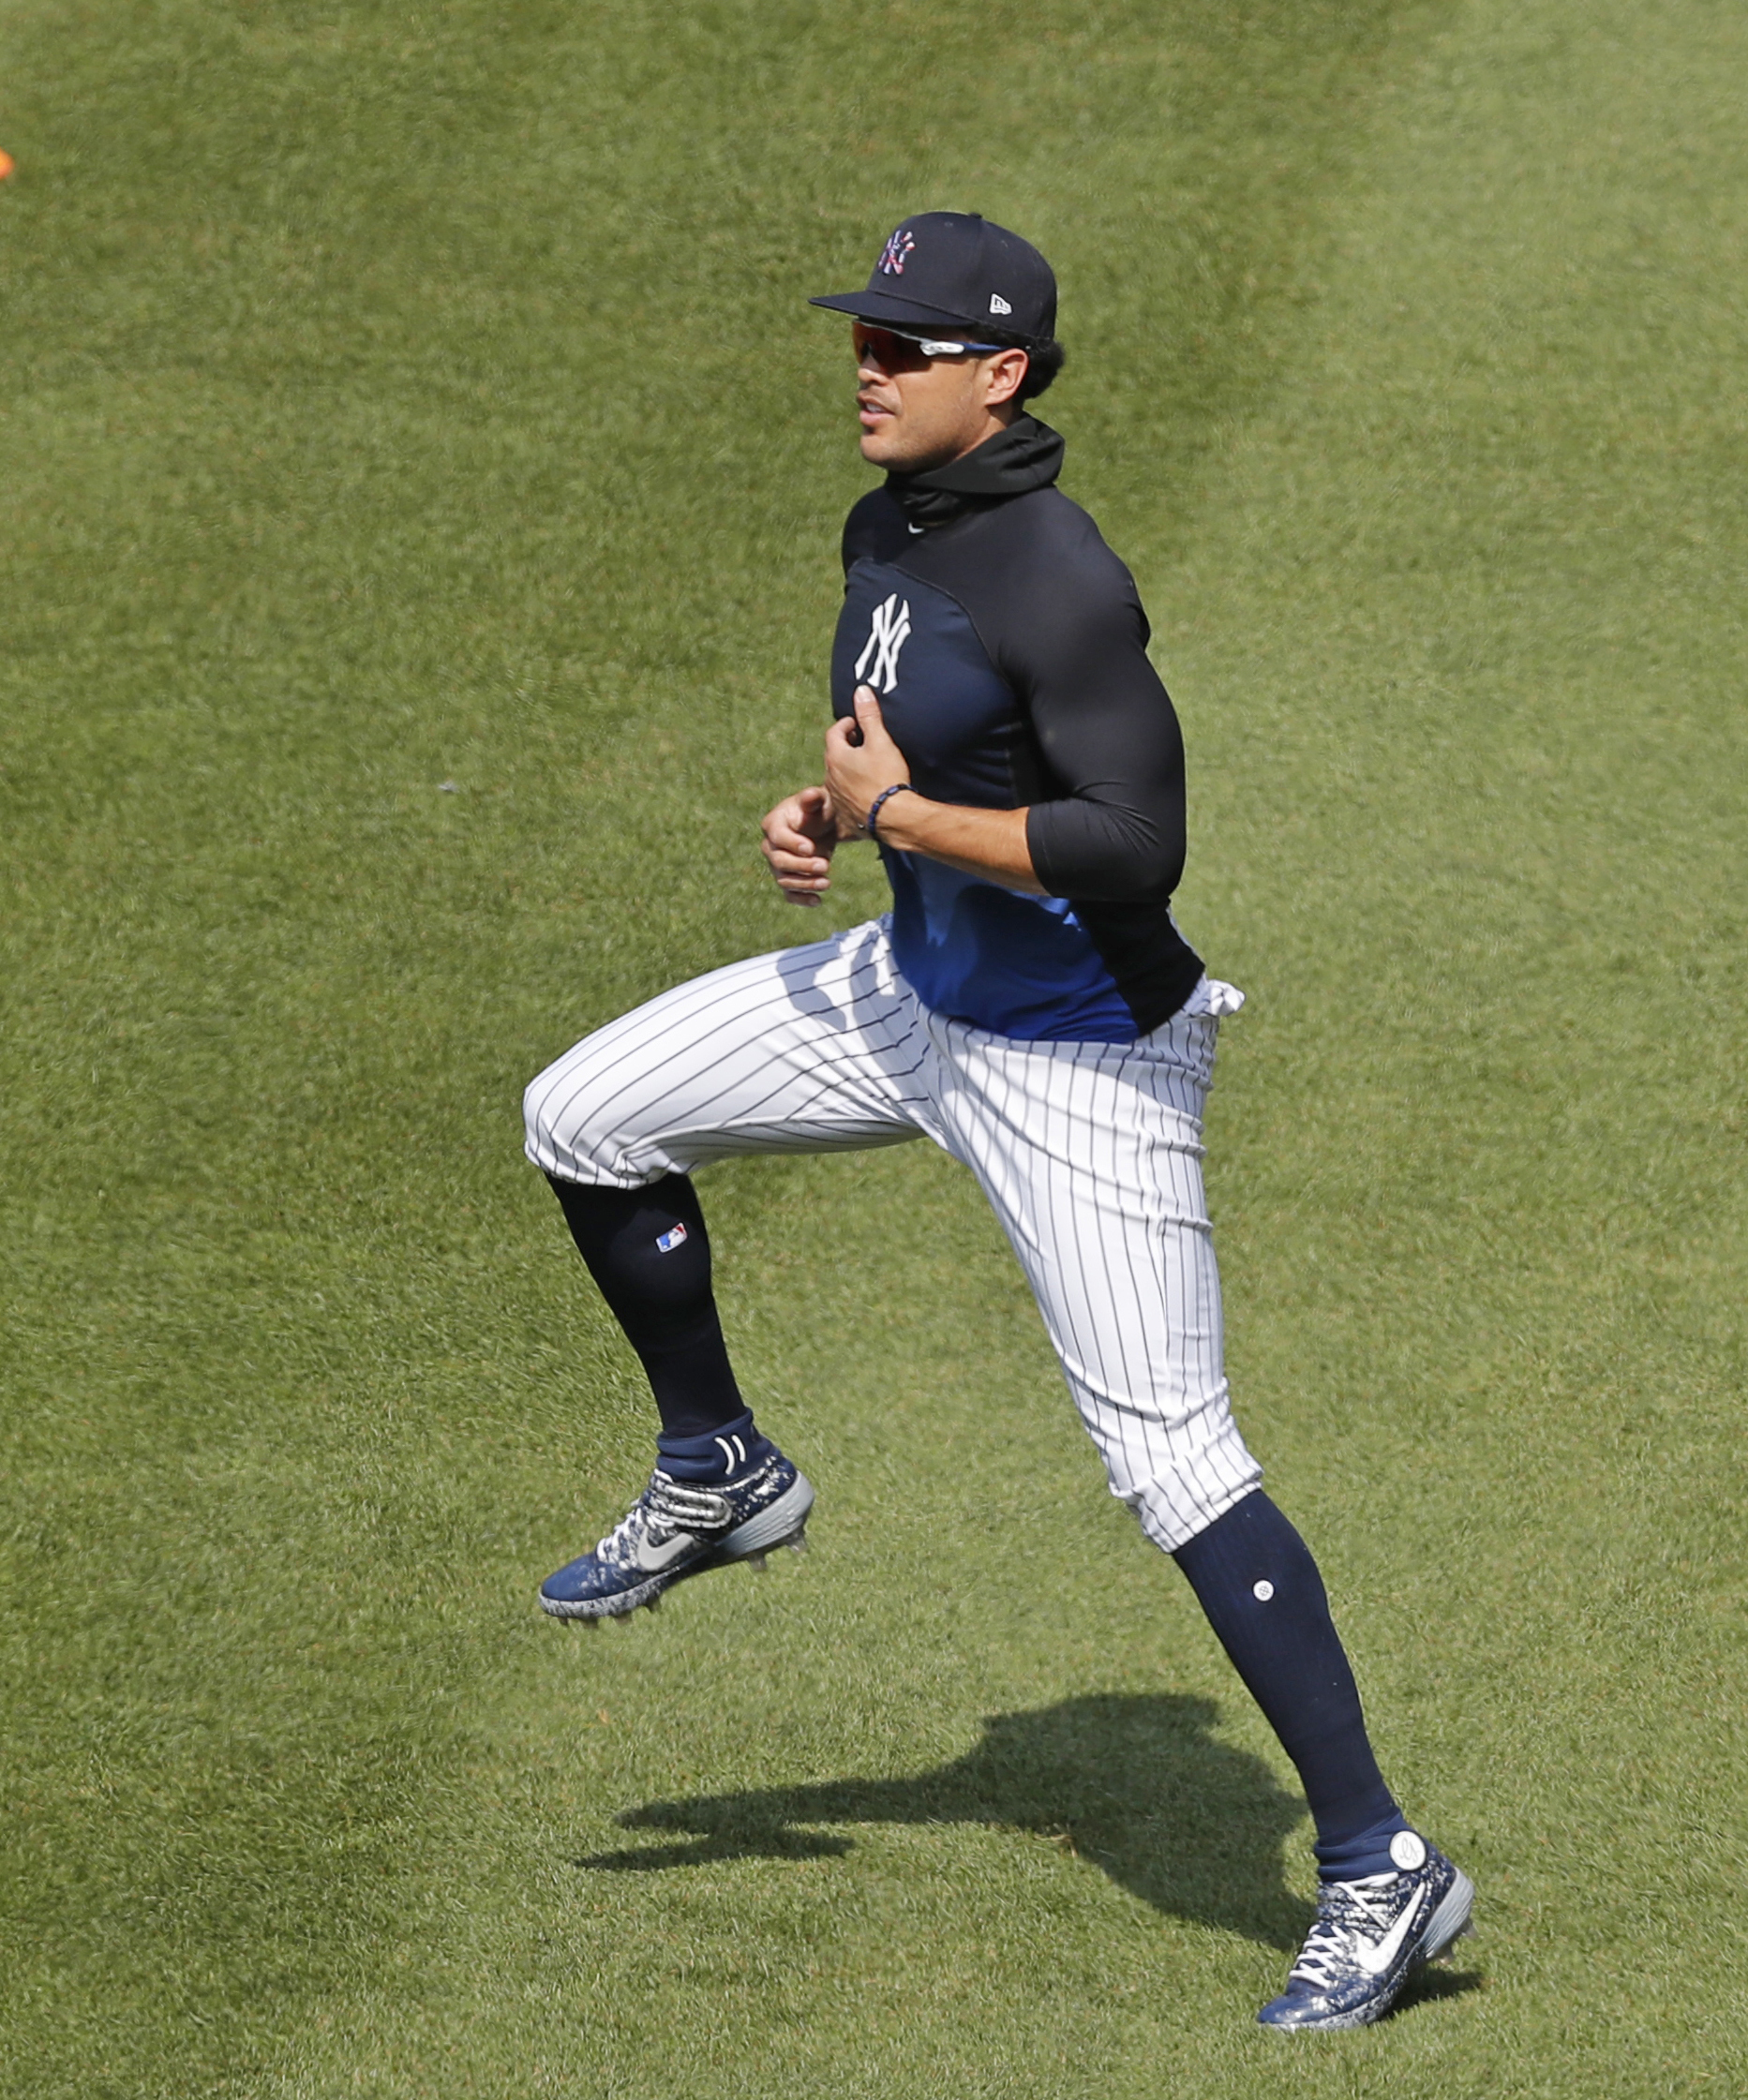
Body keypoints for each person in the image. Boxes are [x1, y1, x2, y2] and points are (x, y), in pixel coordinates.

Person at [518, 212, 1470, 2029]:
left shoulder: (1059, 579)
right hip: (908, 992)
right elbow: (917, 751)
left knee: (1176, 1460)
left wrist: (901, 828)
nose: (867, 368)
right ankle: (718, 1461)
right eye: (863, 337)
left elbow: (1131, 842)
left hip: (1078, 1056)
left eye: (907, 346)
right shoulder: (889, 521)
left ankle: (1379, 1863)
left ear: (1002, 375)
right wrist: (833, 809)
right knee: (584, 1113)